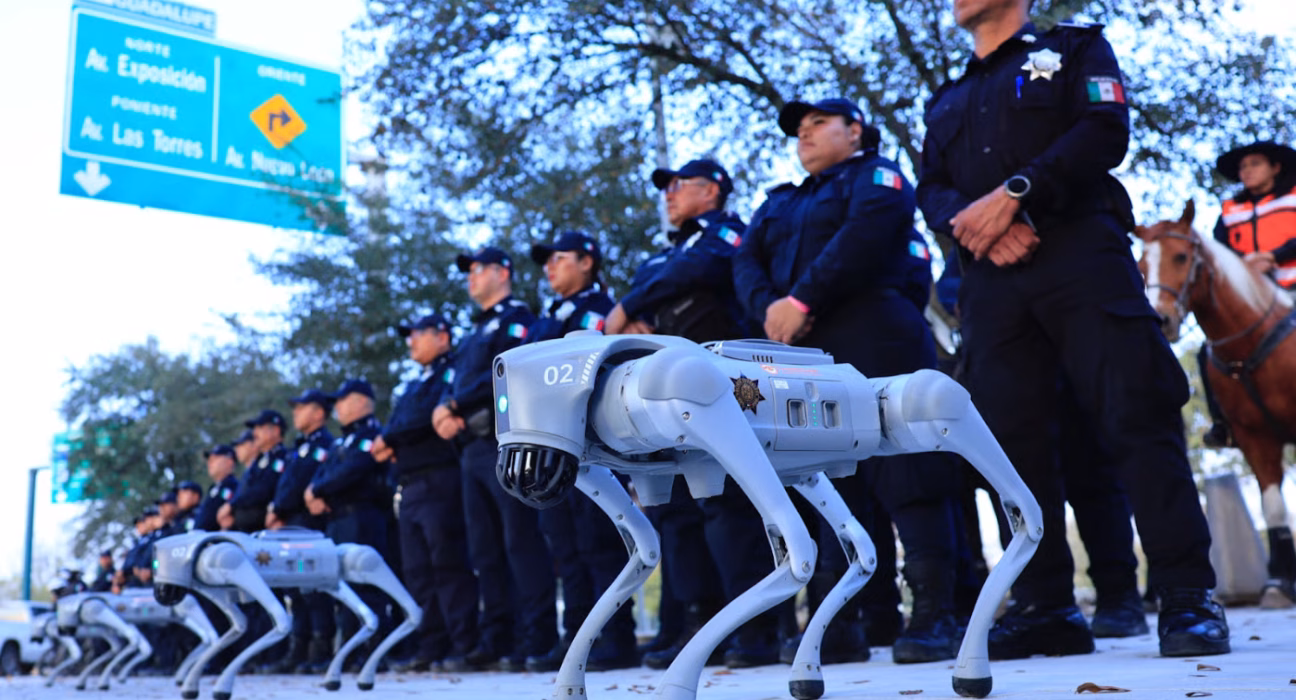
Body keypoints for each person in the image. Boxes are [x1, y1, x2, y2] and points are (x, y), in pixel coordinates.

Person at [915, 0, 1229, 658]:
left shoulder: (1075, 50)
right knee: (1010, 442)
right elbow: (932, 188)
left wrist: (1017, 194)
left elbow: (1104, 129)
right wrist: (978, 227)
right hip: (992, 279)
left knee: (1136, 412)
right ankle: (1046, 606)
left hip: (1081, 252)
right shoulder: (947, 99)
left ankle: (1185, 595)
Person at [733, 96, 969, 664]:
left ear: (855, 130)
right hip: (802, 352)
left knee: (908, 470)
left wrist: (800, 299)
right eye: (799, 128)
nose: (805, 134)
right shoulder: (780, 201)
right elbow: (745, 261)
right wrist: (772, 311)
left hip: (876, 333)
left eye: (819, 123)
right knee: (827, 480)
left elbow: (866, 235)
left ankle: (935, 615)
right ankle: (840, 623)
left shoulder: (878, 176)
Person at [433, 246, 558, 672]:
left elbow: (508, 370)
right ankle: (497, 638)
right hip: (471, 448)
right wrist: (448, 409)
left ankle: (536, 637)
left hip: (503, 442)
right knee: (484, 550)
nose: (471, 277)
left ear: (503, 273)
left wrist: (454, 405)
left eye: (478, 269)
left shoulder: (516, 319)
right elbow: (459, 385)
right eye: (467, 271)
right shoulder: (475, 331)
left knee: (520, 541)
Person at [524, 231, 639, 671]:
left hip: (593, 444)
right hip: (553, 447)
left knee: (600, 544)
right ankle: (577, 639)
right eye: (547, 261)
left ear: (587, 262)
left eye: (559, 258)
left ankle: (616, 639)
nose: (549, 267)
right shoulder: (549, 316)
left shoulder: (601, 310)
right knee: (566, 549)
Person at [374, 314, 480, 673]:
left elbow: (424, 421)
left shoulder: (451, 372)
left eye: (418, 334)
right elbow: (401, 422)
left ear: (442, 337)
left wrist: (391, 438)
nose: (411, 342)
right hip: (411, 485)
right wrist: (394, 436)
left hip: (440, 479)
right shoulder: (412, 384)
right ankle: (431, 645)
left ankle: (463, 643)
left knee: (448, 563)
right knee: (417, 570)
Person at [1197, 141, 1296, 448]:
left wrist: (1273, 256)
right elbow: (1217, 249)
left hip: (1292, 285)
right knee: (1209, 351)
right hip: (1251, 297)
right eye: (1242, 167)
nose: (1247, 171)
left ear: (1275, 167)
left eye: (1255, 164)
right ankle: (1224, 425)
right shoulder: (1229, 210)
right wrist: (1245, 264)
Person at [307, 379, 396, 668]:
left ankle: (374, 651)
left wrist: (318, 490)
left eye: (342, 400)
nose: (337, 408)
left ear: (360, 401)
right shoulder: (341, 441)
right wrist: (314, 490)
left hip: (363, 517)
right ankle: (350, 650)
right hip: (338, 519)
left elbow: (352, 471)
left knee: (365, 583)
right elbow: (323, 473)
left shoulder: (372, 435)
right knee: (342, 585)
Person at [605, 159, 748, 341]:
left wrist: (627, 306)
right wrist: (633, 321)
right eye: (666, 190)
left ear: (709, 191)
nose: (668, 197)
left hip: (719, 352)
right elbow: (651, 280)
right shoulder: (664, 256)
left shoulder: (728, 231)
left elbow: (697, 267)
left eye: (677, 185)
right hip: (668, 355)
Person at [260, 388, 337, 675]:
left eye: (302, 407)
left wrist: (278, 509)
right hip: (290, 524)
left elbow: (303, 482)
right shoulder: (301, 447)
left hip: (307, 525)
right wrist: (276, 509)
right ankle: (299, 649)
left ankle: (320, 650)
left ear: (318, 413)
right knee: (295, 590)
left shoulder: (324, 444)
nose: (296, 413)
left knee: (312, 588)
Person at [223, 410, 288, 533]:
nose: (255, 433)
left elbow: (264, 490)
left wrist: (232, 505)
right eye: (255, 429)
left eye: (260, 428)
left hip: (267, 530)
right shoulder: (260, 461)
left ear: (275, 430)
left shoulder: (281, 457)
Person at [196, 444, 239, 532]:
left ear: (229, 461)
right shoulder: (214, 488)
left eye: (214, 459)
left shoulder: (233, 486)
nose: (209, 463)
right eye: (209, 460)